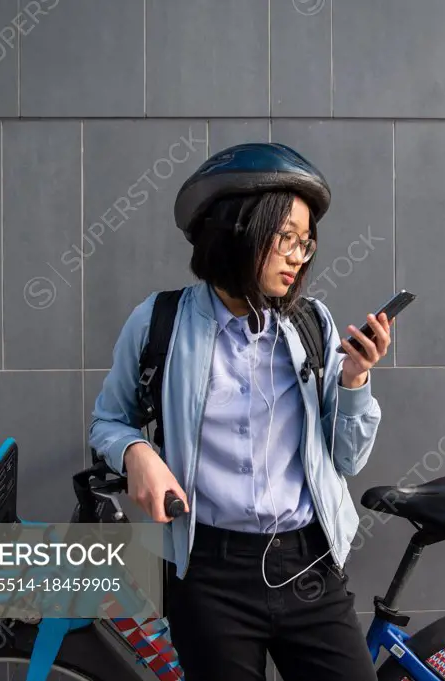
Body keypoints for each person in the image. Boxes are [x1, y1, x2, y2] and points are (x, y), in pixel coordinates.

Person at [88, 142, 390, 680]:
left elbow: (347, 459)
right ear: (237, 230)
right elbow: (109, 420)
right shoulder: (159, 323)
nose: (300, 256)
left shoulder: (311, 325)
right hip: (210, 576)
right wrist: (135, 451)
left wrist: (355, 380)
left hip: (309, 566)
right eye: (286, 239)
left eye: (306, 242)